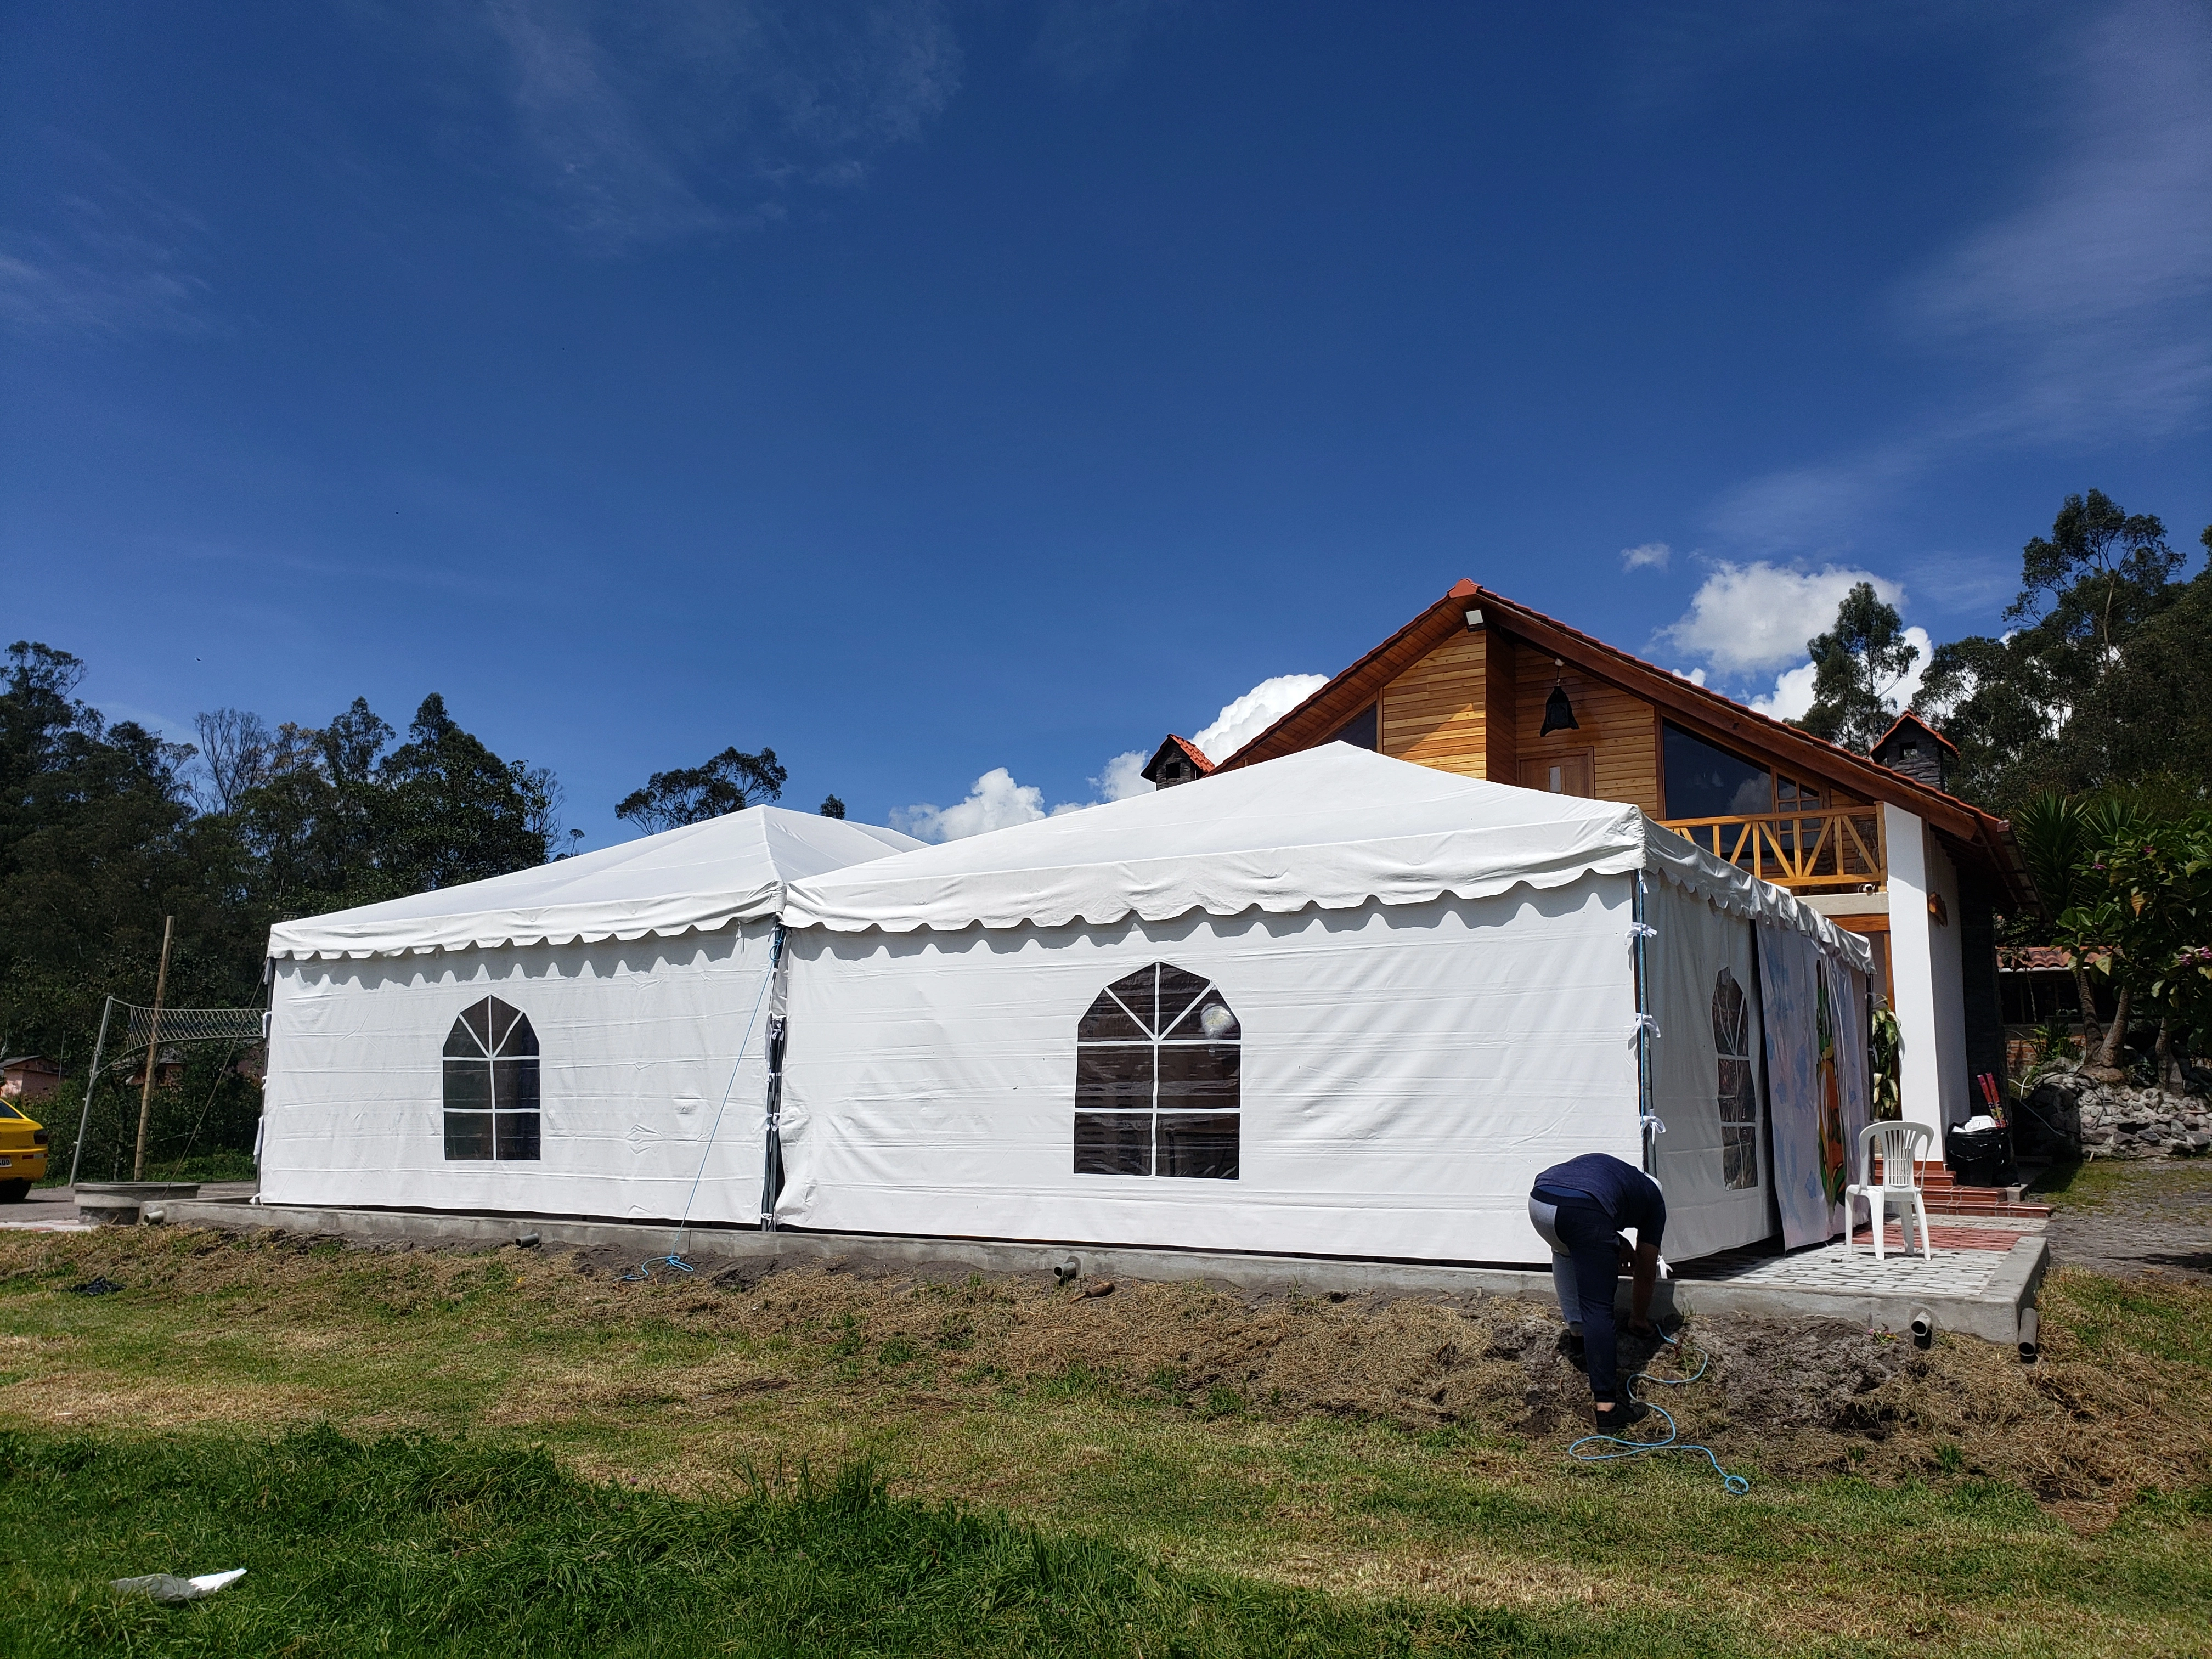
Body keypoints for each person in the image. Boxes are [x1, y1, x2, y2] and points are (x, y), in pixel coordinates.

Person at [1528, 1152, 1666, 1430]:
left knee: (1564, 1250)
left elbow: (1583, 1210)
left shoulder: (1615, 1174)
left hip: (1540, 1203)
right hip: (1581, 1210)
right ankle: (1608, 1408)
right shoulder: (1654, 1201)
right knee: (1599, 1307)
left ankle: (1578, 1333)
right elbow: (1646, 1268)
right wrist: (1638, 1319)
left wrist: (1614, 1239)